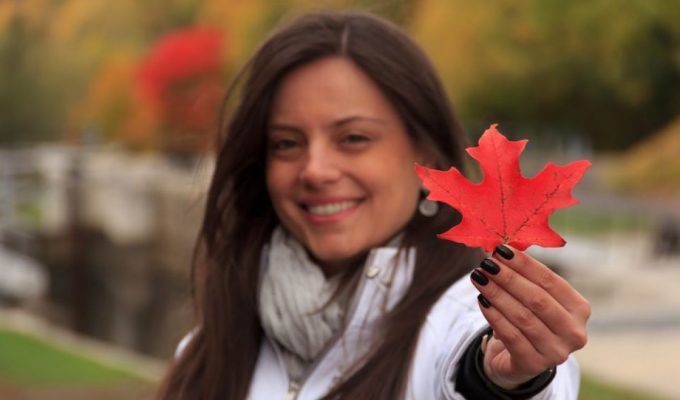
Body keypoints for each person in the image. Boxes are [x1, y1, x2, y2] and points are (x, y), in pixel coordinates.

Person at [157, 10, 589, 400]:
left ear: (427, 156)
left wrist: (509, 381)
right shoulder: (208, 346)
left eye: (354, 138)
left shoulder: (462, 317)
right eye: (287, 143)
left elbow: (480, 370)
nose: (316, 169)